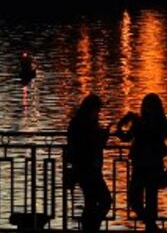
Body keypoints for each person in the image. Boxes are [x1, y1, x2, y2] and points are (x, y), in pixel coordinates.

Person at [115, 93, 167, 232]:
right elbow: (127, 138)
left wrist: (135, 124)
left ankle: (150, 226)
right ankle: (151, 226)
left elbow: (158, 134)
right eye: (146, 106)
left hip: (151, 165)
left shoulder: (158, 123)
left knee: (149, 199)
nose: (148, 109)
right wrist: (121, 126)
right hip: (142, 165)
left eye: (150, 106)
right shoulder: (141, 122)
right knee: (136, 199)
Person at [66, 94, 112, 232]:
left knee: (91, 202)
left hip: (91, 169)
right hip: (86, 169)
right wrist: (101, 135)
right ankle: (91, 226)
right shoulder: (80, 125)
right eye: (96, 110)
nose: (97, 113)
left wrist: (103, 135)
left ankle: (90, 226)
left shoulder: (84, 124)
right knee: (104, 200)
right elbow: (85, 145)